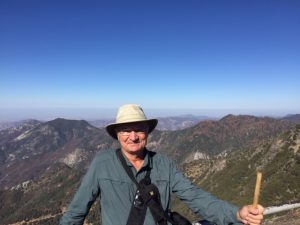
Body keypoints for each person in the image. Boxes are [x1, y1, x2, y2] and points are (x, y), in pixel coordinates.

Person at [60, 104, 264, 225]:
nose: (132, 136)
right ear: (117, 135)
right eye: (125, 130)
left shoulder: (164, 164)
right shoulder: (102, 163)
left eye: (139, 129)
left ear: (147, 132)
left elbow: (196, 197)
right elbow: (77, 211)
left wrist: (236, 213)